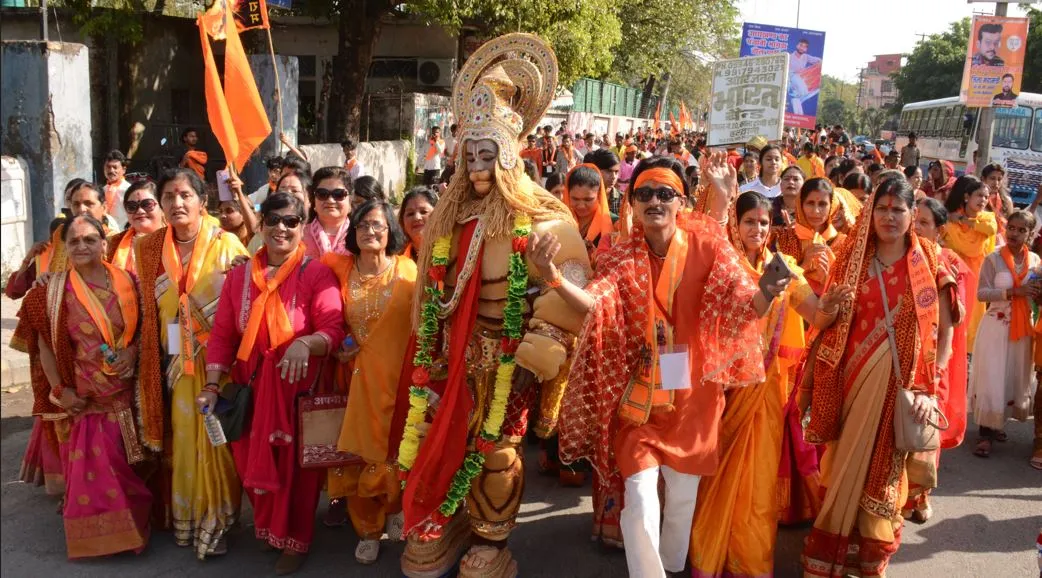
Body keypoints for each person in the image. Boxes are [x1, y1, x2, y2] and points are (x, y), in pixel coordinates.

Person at [391, 34, 590, 578]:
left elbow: (572, 285)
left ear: (510, 155)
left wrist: (544, 342)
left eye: (489, 155)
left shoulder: (544, 218)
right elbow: (431, 291)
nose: (479, 167)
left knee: (497, 449)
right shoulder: (447, 217)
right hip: (453, 355)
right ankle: (448, 520)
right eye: (471, 155)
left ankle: (492, 539)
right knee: (440, 439)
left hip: (510, 358)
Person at [551, 154, 782, 577]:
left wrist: (767, 290)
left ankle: (672, 566)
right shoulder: (621, 256)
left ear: (681, 202)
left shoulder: (708, 245)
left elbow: (746, 303)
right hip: (639, 400)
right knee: (640, 498)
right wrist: (553, 277)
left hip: (694, 398)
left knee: (681, 500)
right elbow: (595, 303)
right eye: (644, 194)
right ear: (632, 205)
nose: (654, 201)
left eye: (664, 193)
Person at [689, 190, 853, 578]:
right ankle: (709, 558)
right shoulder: (722, 267)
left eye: (764, 223)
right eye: (749, 222)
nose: (757, 229)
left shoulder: (785, 268)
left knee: (759, 478)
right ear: (736, 224)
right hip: (725, 388)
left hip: (765, 389)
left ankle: (748, 563)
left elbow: (815, 316)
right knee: (718, 475)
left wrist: (829, 305)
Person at [799, 176, 955, 578]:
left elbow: (942, 332)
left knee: (883, 473)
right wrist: (829, 307)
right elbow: (823, 324)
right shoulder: (851, 256)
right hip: (849, 382)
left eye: (898, 210)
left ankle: (871, 560)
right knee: (845, 464)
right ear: (870, 212)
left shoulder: (930, 261)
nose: (889, 217)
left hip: (899, 389)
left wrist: (931, 388)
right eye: (882, 209)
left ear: (912, 214)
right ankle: (831, 553)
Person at [204, 192, 344, 574]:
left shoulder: (316, 274)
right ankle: (269, 529)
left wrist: (305, 343)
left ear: (302, 227)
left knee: (295, 472)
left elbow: (333, 328)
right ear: (261, 225)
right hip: (250, 387)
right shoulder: (239, 277)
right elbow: (222, 336)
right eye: (273, 220)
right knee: (249, 459)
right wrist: (212, 385)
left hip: (296, 388)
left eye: (291, 221)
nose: (281, 227)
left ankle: (296, 540)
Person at [12, 214, 152, 559]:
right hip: (86, 401)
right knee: (97, 474)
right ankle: (107, 541)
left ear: (104, 243)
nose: (82, 246)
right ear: (65, 248)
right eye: (74, 241)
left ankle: (132, 530)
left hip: (127, 396)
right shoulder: (50, 292)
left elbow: (148, 330)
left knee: (129, 471)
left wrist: (132, 352)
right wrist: (60, 391)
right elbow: (44, 347)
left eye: (90, 239)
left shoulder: (129, 282)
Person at [134, 168, 248, 559]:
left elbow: (250, 301)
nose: (177, 203)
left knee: (218, 444)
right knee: (184, 438)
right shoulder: (148, 248)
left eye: (185, 195)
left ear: (203, 201)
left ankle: (219, 521)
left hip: (219, 365)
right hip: (174, 365)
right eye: (168, 196)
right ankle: (190, 519)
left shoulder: (227, 244)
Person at [323, 200, 416, 564]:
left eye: (377, 225)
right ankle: (367, 529)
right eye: (362, 225)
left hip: (400, 379)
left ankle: (395, 509)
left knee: (399, 448)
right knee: (359, 456)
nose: (370, 231)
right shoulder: (338, 267)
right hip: (355, 380)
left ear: (391, 230)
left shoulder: (409, 270)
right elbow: (312, 290)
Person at [904, 197, 969, 523]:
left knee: (924, 436)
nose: (916, 228)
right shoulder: (899, 256)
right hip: (900, 359)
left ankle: (919, 497)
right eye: (914, 220)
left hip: (931, 363)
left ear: (940, 230)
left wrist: (938, 371)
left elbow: (951, 326)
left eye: (924, 223)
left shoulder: (946, 265)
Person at [968, 210, 1040, 460]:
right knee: (992, 377)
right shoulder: (993, 258)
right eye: (1011, 228)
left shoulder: (1035, 262)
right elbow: (982, 294)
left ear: (1030, 234)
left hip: (1022, 331)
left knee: (1012, 377)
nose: (1014, 233)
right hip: (996, 328)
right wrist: (1013, 292)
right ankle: (985, 434)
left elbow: (1035, 295)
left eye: (1021, 230)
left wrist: (1035, 294)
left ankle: (998, 424)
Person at [942, 175, 998, 352]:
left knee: (972, 318)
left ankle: (966, 354)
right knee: (952, 313)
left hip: (977, 275)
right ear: (966, 197)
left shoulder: (986, 219)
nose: (983, 200)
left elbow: (991, 229)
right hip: (954, 274)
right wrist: (956, 220)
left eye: (986, 196)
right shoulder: (950, 222)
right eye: (979, 195)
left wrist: (965, 221)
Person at [773, 178, 854, 294]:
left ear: (832, 206)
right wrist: (804, 265)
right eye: (810, 203)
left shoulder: (843, 243)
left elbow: (849, 287)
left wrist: (829, 277)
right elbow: (776, 286)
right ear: (800, 205)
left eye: (822, 204)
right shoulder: (785, 239)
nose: (816, 211)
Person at [562, 164, 617, 264]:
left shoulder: (614, 223)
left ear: (599, 195)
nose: (581, 206)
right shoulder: (560, 221)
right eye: (575, 199)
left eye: (588, 199)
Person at [108, 181, 166, 274]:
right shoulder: (112, 244)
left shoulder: (178, 239)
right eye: (132, 206)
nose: (140, 211)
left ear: (162, 206)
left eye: (147, 204)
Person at [303, 166, 352, 259]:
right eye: (322, 194)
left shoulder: (360, 236)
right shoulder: (299, 235)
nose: (330, 200)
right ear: (313, 200)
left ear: (350, 201)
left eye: (338, 194)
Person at [398, 187, 438, 261]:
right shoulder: (396, 260)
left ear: (438, 215)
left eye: (423, 212)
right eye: (410, 214)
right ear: (402, 222)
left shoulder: (454, 251)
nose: (417, 218)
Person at [585, 148, 624, 216]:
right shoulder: (584, 197)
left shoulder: (622, 199)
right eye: (609, 171)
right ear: (596, 170)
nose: (614, 176)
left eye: (616, 172)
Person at [102, 150, 132, 228]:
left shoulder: (129, 190)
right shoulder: (102, 190)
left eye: (115, 167)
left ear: (124, 170)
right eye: (108, 167)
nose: (111, 170)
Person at [772, 165, 805, 231]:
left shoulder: (809, 209)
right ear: (780, 184)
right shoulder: (769, 208)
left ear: (804, 185)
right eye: (786, 179)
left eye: (796, 179)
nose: (791, 182)